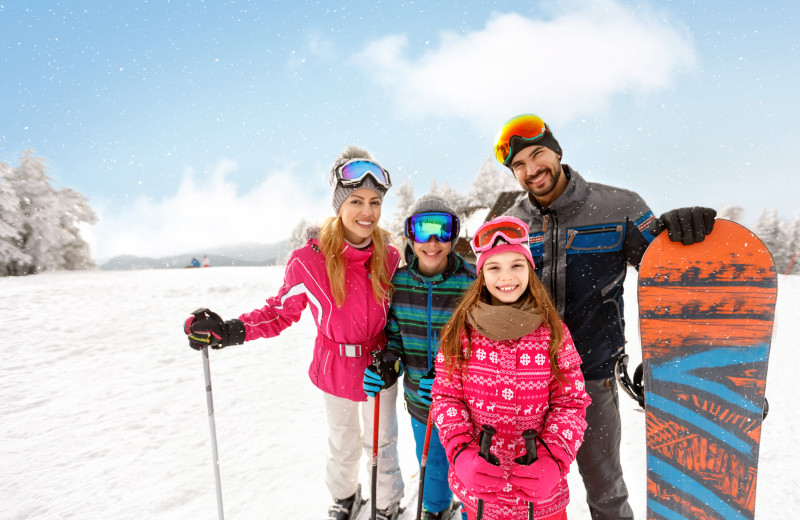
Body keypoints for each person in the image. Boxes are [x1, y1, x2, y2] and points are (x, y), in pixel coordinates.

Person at [492, 114, 716, 519]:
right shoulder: (512, 224)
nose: (530, 170)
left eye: (537, 154)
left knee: (605, 488)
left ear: (557, 152)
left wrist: (685, 233)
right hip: (528, 382)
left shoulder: (620, 206)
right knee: (527, 493)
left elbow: (662, 271)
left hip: (592, 375)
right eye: (518, 165)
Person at [183, 145, 405, 520]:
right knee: (344, 443)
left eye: (374, 202)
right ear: (339, 204)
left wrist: (394, 354)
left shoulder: (391, 256)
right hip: (334, 366)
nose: (367, 212)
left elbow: (401, 315)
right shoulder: (309, 260)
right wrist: (231, 330)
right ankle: (346, 499)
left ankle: (386, 506)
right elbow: (279, 312)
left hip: (377, 368)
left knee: (382, 444)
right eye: (356, 201)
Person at [430, 216, 591, 520]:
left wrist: (554, 459)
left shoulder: (553, 332)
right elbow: (446, 399)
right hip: (480, 497)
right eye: (494, 267)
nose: (506, 276)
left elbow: (571, 402)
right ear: (481, 274)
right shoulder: (460, 332)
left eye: (516, 265)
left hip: (541, 500)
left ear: (530, 269)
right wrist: (461, 453)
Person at [362, 194, 476, 520]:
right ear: (410, 235)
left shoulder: (471, 283)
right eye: (423, 231)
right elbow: (395, 338)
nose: (433, 242)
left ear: (454, 234)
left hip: (466, 405)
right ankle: (437, 508)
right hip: (419, 401)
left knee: (468, 466)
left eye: (443, 231)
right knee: (432, 462)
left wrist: (450, 377)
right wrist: (389, 365)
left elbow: (479, 346)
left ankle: (472, 510)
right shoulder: (398, 282)